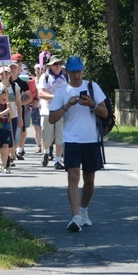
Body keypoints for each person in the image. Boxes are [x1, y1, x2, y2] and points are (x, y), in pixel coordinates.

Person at [48, 55, 108, 232]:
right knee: (73, 176)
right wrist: (66, 106)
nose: (76, 75)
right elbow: (52, 118)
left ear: (83, 71)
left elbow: (104, 113)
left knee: (89, 179)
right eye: (73, 72)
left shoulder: (92, 87)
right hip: (71, 140)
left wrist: (91, 104)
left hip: (91, 139)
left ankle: (83, 210)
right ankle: (75, 217)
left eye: (79, 71)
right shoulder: (62, 91)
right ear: (67, 72)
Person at [38, 55, 69, 169]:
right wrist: (56, 97)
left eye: (59, 64)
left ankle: (57, 160)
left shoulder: (66, 77)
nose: (58, 66)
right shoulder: (45, 77)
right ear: (50, 66)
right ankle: (46, 152)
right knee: (47, 137)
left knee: (60, 136)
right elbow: (41, 93)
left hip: (62, 111)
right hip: (48, 110)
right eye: (55, 64)